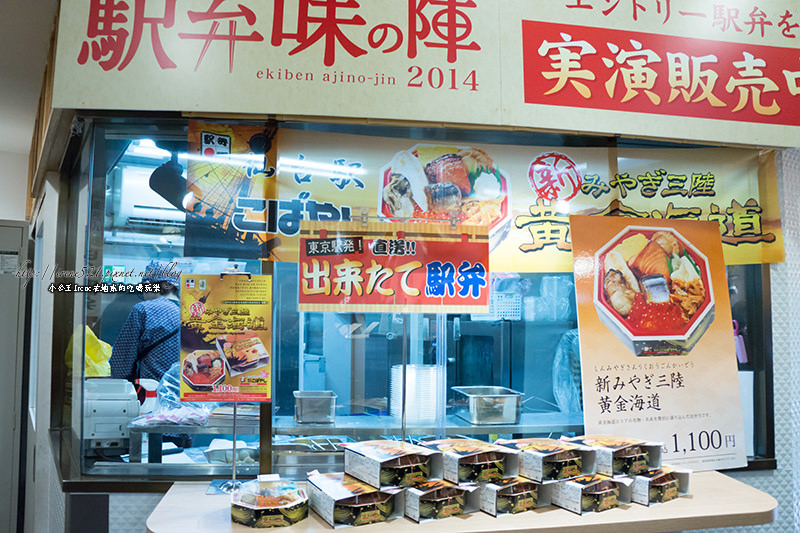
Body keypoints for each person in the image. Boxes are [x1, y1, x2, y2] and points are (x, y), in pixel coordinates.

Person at [110, 260, 181, 383]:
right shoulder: (194, 311)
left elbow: (121, 364)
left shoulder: (143, 309)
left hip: (152, 393)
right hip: (189, 394)